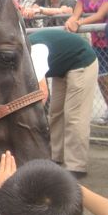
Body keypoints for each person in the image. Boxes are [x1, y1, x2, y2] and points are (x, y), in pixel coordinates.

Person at [28, 30, 98, 178]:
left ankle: (76, 166)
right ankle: (55, 157)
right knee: (56, 112)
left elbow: (42, 93)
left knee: (75, 115)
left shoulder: (34, 51)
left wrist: (31, 118)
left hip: (82, 61)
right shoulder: (22, 52)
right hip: (62, 67)